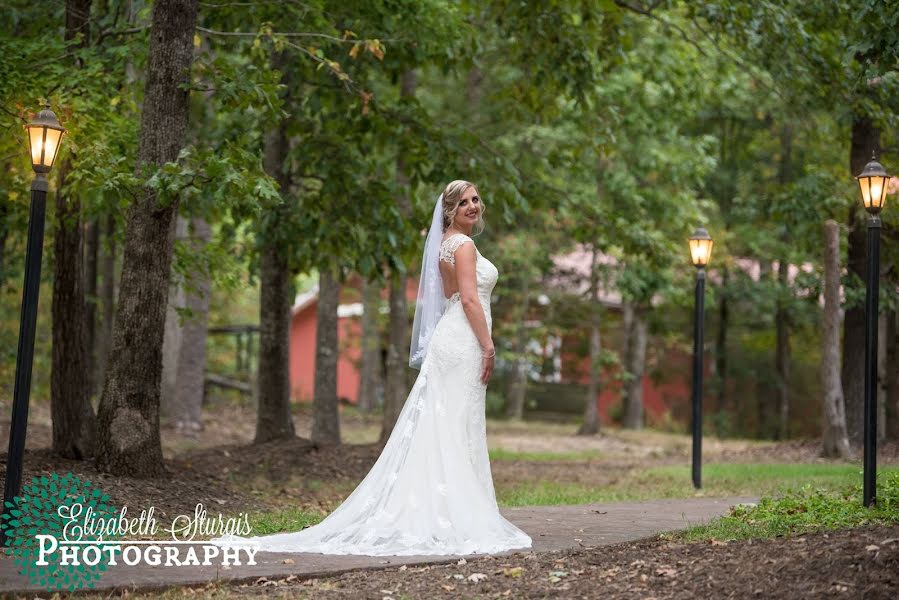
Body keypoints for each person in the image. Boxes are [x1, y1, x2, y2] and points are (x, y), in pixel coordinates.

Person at [212, 180, 532, 556]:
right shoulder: (464, 246)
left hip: (452, 338)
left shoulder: (445, 244)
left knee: (445, 424)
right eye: (464, 202)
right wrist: (489, 346)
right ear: (449, 210)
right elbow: (470, 302)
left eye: (476, 199)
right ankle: (455, 513)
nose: (473, 206)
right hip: (464, 341)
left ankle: (445, 507)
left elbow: (450, 295)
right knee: (454, 424)